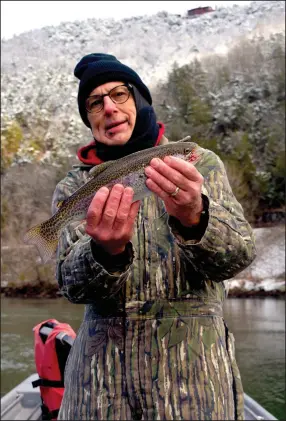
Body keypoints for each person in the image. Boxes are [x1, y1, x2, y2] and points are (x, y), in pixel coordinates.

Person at [53, 53, 256, 420]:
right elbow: (71, 287)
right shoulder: (73, 186)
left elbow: (239, 257)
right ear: (88, 118)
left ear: (140, 99)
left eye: (119, 94)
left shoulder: (201, 163)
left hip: (194, 385)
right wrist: (105, 253)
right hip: (98, 391)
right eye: (95, 103)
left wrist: (196, 219)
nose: (109, 108)